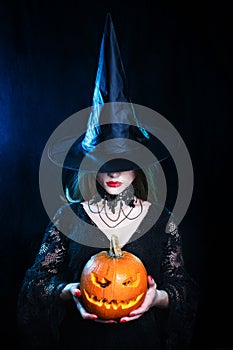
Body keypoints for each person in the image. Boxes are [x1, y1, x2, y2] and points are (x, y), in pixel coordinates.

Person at [17, 13, 199, 350]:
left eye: (124, 164)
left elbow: (183, 290)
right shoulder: (67, 218)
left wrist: (156, 297)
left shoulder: (162, 219)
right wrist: (68, 291)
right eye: (105, 164)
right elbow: (35, 284)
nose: (114, 174)